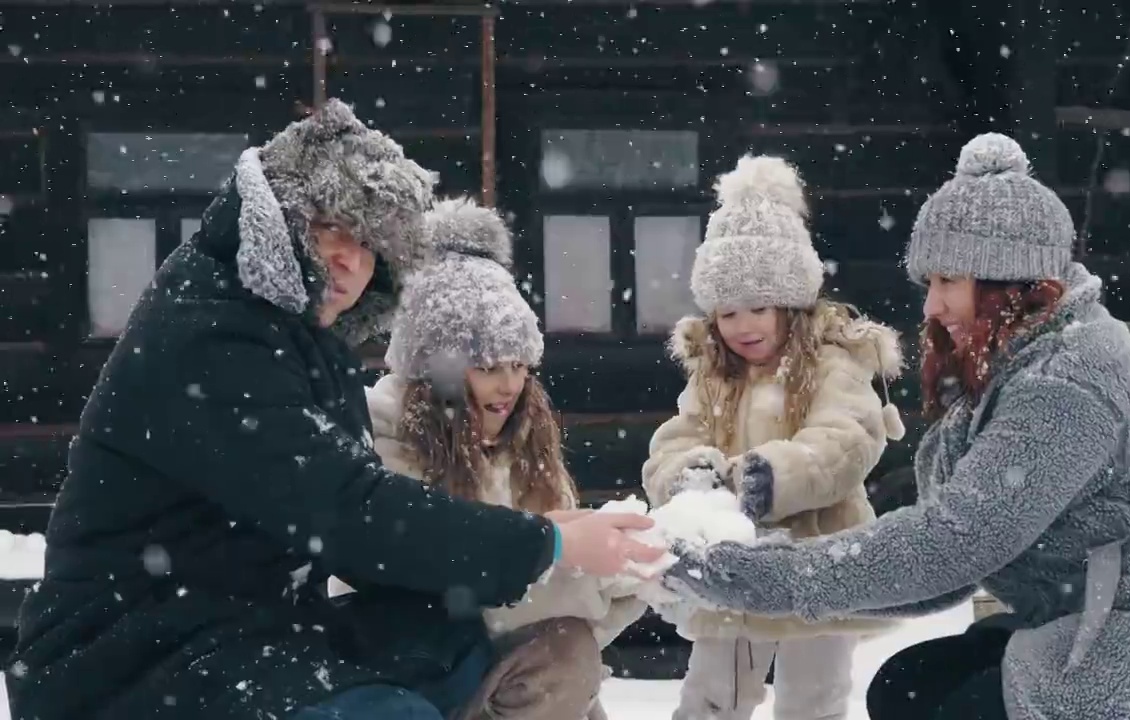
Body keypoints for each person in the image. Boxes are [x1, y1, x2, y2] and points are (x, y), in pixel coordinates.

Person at [5, 99, 661, 720]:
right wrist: (542, 543)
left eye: (367, 239)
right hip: (126, 652)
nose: (349, 257)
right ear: (274, 223)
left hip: (252, 626)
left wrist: (547, 541)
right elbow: (348, 511)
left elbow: (361, 540)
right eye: (326, 230)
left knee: (458, 641)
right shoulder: (210, 334)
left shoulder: (308, 345)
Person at [659, 133, 1130, 720]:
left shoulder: (1073, 377)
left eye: (947, 281)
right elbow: (951, 563)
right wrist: (761, 571)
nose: (930, 305)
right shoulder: (1016, 365)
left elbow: (955, 542)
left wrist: (750, 575)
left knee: (961, 708)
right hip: (1107, 617)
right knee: (910, 686)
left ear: (1009, 283)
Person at [331, 196, 650, 719]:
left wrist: (629, 575)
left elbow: (564, 635)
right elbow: (461, 595)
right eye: (485, 366)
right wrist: (590, 569)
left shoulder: (528, 443)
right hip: (409, 682)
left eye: (518, 363)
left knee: (570, 652)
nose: (508, 385)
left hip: (496, 679)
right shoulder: (385, 440)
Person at [642, 155, 906, 720]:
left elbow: (846, 439)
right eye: (728, 312)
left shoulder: (834, 362)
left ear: (792, 302)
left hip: (822, 558)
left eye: (759, 307)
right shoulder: (715, 375)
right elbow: (677, 436)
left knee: (813, 698)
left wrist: (770, 476)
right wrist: (689, 475)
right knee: (714, 692)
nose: (744, 326)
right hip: (736, 559)